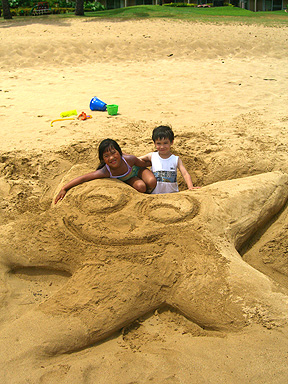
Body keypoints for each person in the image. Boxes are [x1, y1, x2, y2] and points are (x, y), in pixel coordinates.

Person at [54, 138, 156, 204]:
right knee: (141, 187)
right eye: (106, 156)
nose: (111, 158)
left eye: (113, 153)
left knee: (151, 181)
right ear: (102, 159)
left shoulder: (129, 159)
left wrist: (158, 161)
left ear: (119, 153)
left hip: (136, 169)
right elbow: (84, 177)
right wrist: (64, 188)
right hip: (128, 178)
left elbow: (143, 163)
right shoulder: (105, 171)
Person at [140, 125, 199, 194]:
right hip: (155, 195)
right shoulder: (152, 156)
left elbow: (185, 174)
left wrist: (190, 187)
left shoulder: (175, 159)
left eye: (165, 143)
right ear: (154, 144)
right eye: (158, 143)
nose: (162, 147)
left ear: (171, 142)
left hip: (173, 195)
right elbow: (136, 160)